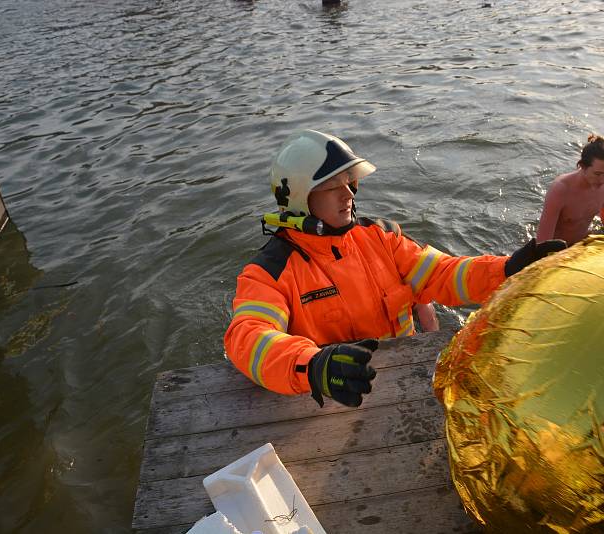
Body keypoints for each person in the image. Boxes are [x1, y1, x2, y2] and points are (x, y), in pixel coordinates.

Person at [224, 129, 566, 407]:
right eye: (332, 187)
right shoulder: (270, 270)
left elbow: (442, 275)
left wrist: (506, 270)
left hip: (407, 383)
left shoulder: (382, 238)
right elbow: (247, 338)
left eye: (349, 182)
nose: (348, 195)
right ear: (299, 198)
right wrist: (312, 367)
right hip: (334, 402)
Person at [536, 134, 604, 246]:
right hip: (558, 250)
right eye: (598, 174)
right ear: (582, 166)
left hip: (581, 246)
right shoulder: (561, 189)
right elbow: (542, 242)